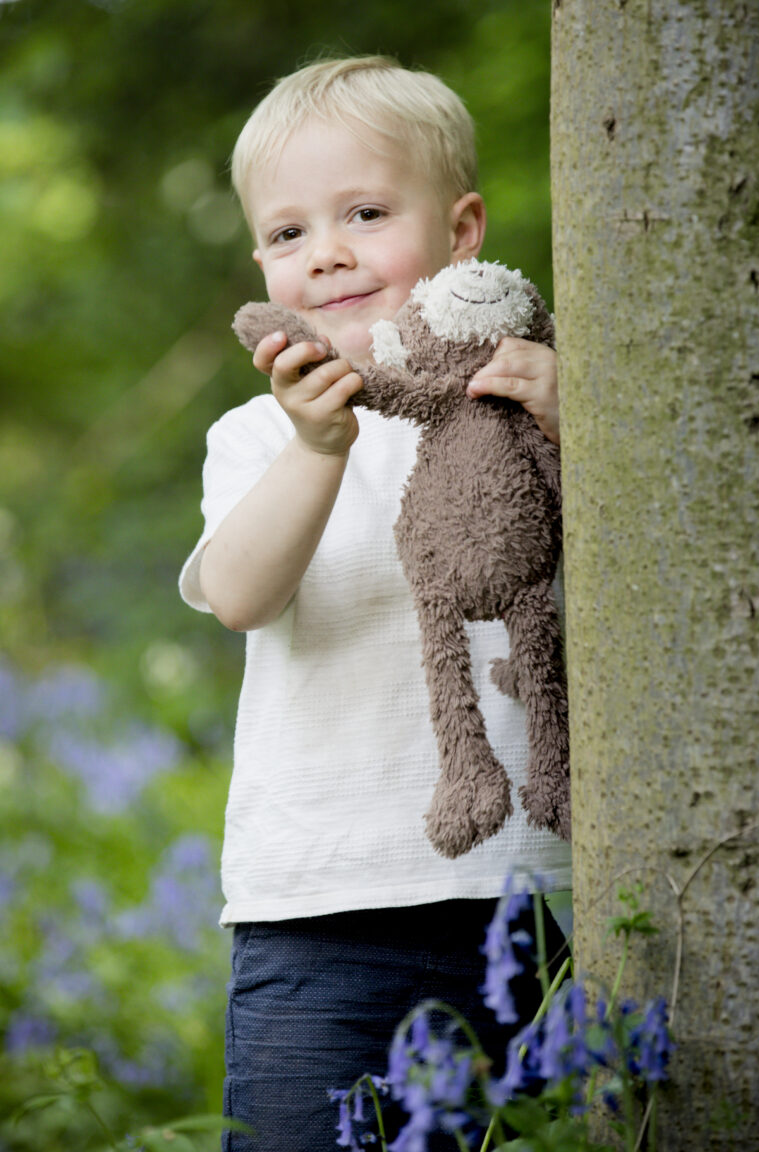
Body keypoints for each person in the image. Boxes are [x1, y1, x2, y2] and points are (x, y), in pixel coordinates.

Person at [179, 55, 571, 1152]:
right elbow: (242, 596)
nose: (330, 252)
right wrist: (315, 446)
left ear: (461, 233)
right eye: (291, 232)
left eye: (364, 212)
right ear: (261, 262)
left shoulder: (519, 400)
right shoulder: (258, 435)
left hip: (522, 896)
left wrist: (570, 422)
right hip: (318, 911)